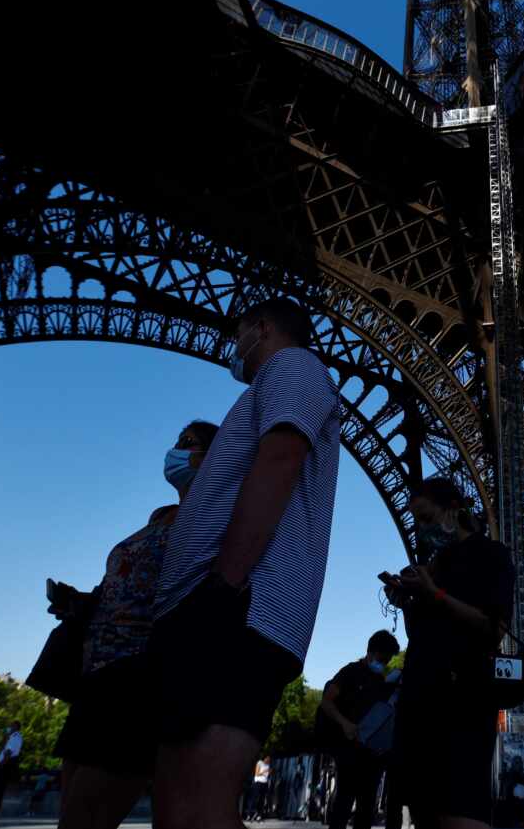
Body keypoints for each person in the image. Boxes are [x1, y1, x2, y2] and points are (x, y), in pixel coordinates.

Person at [150, 298, 341, 829]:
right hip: (215, 604)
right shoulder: (270, 385)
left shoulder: (294, 365)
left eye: (238, 335)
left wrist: (223, 585)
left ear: (262, 328)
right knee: (178, 800)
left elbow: (280, 461)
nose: (234, 349)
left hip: (239, 607)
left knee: (200, 801)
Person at [53, 419, 217, 829]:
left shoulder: (216, 515)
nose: (176, 449)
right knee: (71, 816)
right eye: (178, 440)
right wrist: (82, 603)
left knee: (84, 819)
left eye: (188, 443)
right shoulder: (162, 516)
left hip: (137, 678)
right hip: (96, 675)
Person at [386, 476, 515, 829]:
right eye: (418, 522)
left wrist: (435, 594)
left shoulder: (492, 555)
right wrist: (408, 602)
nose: (422, 530)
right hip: (420, 697)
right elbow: (424, 635)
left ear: (453, 511)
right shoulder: (434, 564)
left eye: (427, 519)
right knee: (425, 813)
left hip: (465, 699)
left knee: (459, 813)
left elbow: (494, 630)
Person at [320, 630, 401, 829]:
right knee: (344, 802)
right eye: (382, 658)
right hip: (348, 748)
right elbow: (327, 702)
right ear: (370, 651)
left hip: (372, 754)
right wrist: (345, 724)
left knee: (366, 807)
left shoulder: (381, 680)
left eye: (388, 660)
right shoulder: (350, 672)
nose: (383, 663)